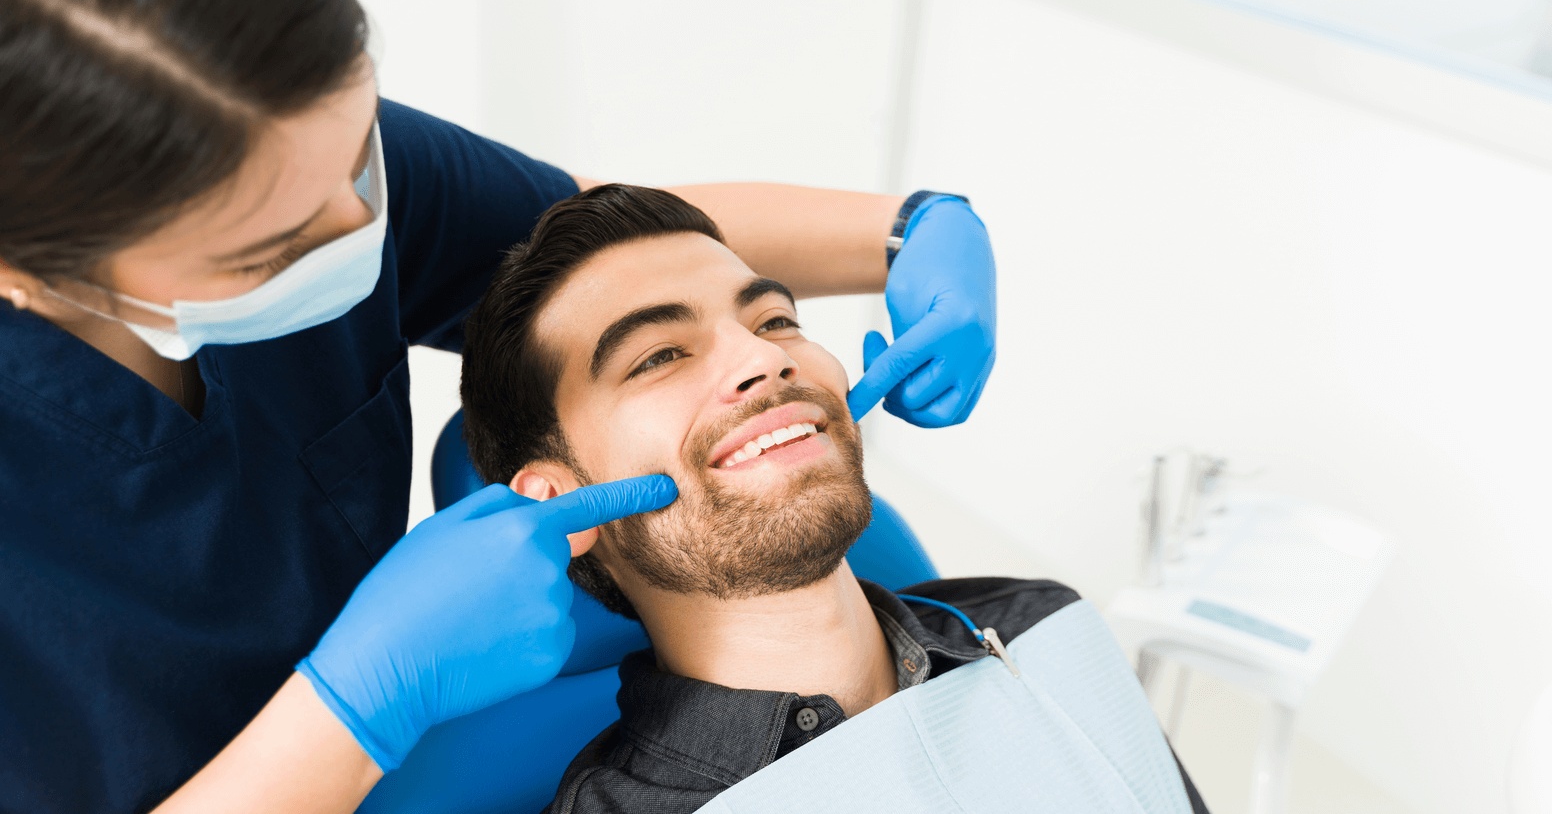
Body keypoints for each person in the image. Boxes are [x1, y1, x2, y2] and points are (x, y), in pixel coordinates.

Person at [0, 0, 998, 812]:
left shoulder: (267, 135)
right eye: (272, 250)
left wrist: (908, 228)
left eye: (360, 156)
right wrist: (358, 701)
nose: (362, 230)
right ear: (25, 272)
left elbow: (608, 247)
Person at [458, 186, 1207, 814]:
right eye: (659, 356)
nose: (765, 358)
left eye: (776, 321)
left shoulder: (1043, 625)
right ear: (563, 504)